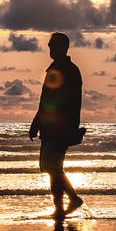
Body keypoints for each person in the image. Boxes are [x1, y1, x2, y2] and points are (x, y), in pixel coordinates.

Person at [29, 32, 84, 219]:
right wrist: (37, 122)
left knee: (52, 167)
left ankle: (67, 203)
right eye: (50, 46)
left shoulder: (66, 70)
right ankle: (65, 204)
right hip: (53, 127)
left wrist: (38, 122)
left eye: (54, 46)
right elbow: (46, 101)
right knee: (52, 168)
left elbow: (54, 101)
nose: (50, 49)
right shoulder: (59, 68)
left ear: (64, 47)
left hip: (59, 128)